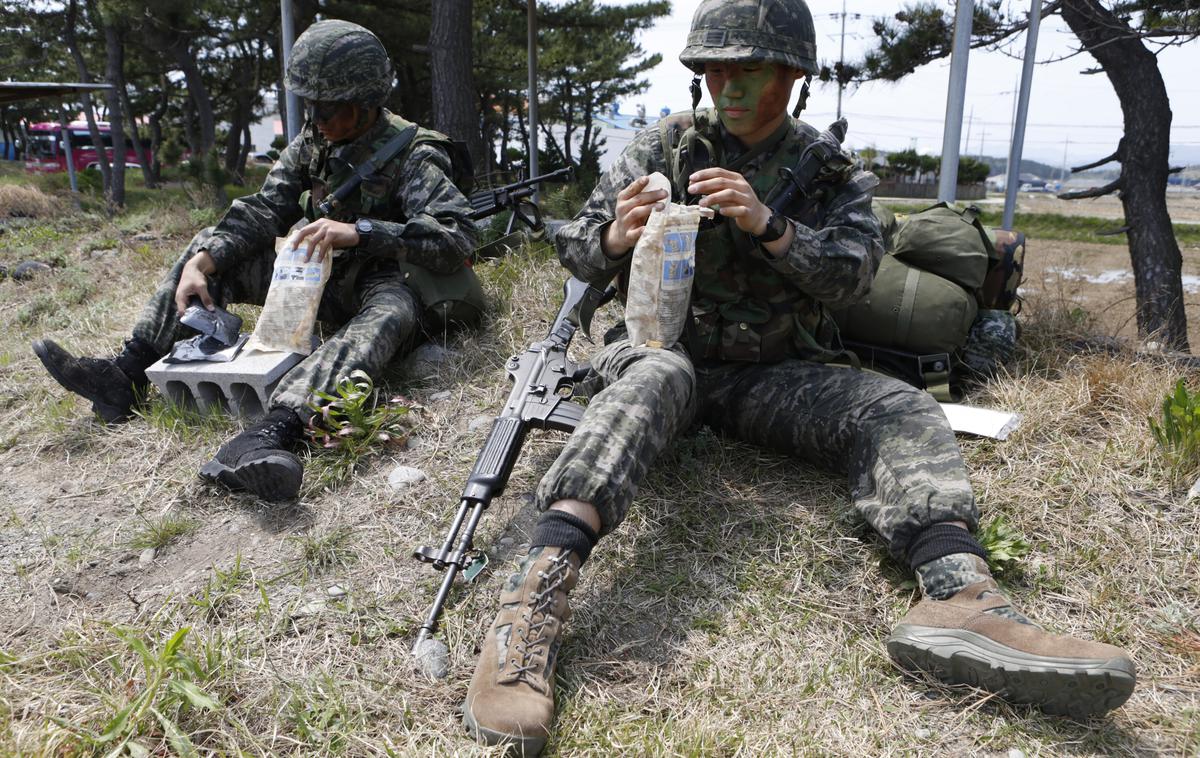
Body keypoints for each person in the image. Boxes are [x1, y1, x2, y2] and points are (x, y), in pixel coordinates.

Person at [461, 0, 1135, 753]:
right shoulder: (660, 148)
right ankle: (531, 606)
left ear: (792, 75)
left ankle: (960, 597)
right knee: (653, 377)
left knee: (897, 406)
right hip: (661, 352)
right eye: (714, 70)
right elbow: (578, 250)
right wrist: (615, 231)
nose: (728, 87)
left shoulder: (827, 170)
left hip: (773, 373)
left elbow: (852, 277)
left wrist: (770, 227)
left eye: (747, 70)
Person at [32, 19, 478, 501]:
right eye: (311, 105)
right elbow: (265, 209)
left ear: (366, 101)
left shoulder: (416, 152)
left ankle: (273, 432)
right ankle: (127, 374)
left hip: (383, 283)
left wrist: (362, 231)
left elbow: (457, 235)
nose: (318, 117)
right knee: (208, 244)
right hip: (316, 278)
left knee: (390, 310)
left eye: (329, 107)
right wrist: (204, 260)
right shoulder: (316, 141)